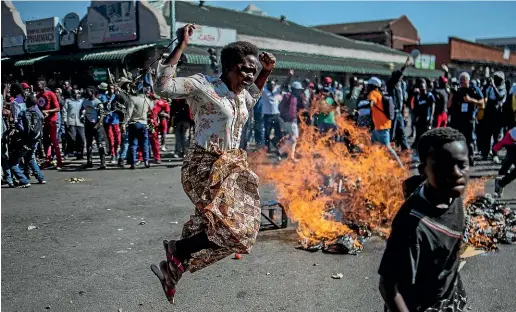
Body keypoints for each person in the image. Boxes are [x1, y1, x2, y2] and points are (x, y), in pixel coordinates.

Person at [150, 24, 275, 304]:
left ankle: (175, 263)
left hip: (232, 166)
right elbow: (162, 86)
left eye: (253, 71)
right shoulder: (203, 86)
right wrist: (180, 44)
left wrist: (265, 72)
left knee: (244, 232)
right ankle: (178, 251)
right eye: (245, 69)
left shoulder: (243, 95)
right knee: (232, 228)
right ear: (229, 66)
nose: (249, 75)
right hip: (204, 164)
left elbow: (253, 97)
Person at [379, 127, 469, 312]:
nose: (456, 173)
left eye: (461, 165)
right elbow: (388, 286)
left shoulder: (450, 191)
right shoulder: (411, 228)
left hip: (449, 298)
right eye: (443, 167)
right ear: (424, 171)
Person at [448, 72, 484, 166]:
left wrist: (471, 100)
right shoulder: (457, 90)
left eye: (464, 79)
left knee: (469, 139)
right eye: (461, 80)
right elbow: (449, 105)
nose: (462, 82)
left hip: (469, 119)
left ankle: (470, 158)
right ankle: (457, 158)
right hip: (457, 119)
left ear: (468, 80)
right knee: (456, 139)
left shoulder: (474, 89)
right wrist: (451, 94)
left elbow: (482, 102)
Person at [367, 77, 403, 167]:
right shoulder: (379, 93)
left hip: (382, 127)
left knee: (388, 147)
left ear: (372, 86)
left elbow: (371, 102)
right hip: (378, 127)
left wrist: (369, 104)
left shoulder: (373, 93)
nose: (367, 87)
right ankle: (375, 164)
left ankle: (400, 165)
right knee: (372, 144)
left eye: (368, 85)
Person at [480, 72, 506, 163]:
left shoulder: (503, 89)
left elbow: (500, 97)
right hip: (488, 113)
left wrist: (494, 86)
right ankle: (485, 153)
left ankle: (495, 154)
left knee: (496, 136)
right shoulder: (490, 88)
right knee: (486, 134)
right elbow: (483, 95)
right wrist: (486, 85)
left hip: (497, 115)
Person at [36, 79, 63, 169]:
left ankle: (59, 161)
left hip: (52, 121)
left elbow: (57, 108)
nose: (38, 86)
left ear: (43, 85)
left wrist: (47, 111)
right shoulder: (38, 96)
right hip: (44, 122)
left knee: (54, 141)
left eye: (39, 84)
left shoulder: (51, 94)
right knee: (46, 142)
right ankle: (47, 160)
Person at [387, 58, 411, 152]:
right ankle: (389, 151)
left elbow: (403, 101)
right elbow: (396, 76)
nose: (401, 77)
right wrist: (404, 66)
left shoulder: (401, 85)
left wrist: (404, 113)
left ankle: (406, 151)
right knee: (392, 134)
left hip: (399, 113)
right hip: (393, 113)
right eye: (399, 75)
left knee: (402, 133)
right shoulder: (391, 83)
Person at [124, 88, 152, 169]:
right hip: (144, 124)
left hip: (134, 124)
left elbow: (129, 113)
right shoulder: (147, 100)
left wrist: (124, 123)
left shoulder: (133, 99)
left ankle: (133, 163)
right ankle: (146, 161)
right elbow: (150, 112)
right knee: (145, 143)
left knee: (133, 144)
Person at [81, 87, 106, 169]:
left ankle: (103, 163)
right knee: (89, 143)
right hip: (88, 124)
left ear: (92, 92)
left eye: (88, 91)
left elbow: (102, 115)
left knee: (99, 143)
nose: (86, 92)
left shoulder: (98, 103)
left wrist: (97, 125)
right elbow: (82, 110)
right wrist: (82, 116)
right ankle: (89, 161)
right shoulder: (85, 101)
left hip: (97, 125)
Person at [279, 81, 304, 161]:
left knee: (292, 139)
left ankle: (289, 155)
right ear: (294, 89)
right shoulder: (287, 96)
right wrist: (285, 117)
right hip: (289, 121)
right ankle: (281, 152)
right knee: (293, 139)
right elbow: (281, 107)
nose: (299, 91)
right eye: (298, 90)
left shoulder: (295, 97)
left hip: (293, 120)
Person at [413, 78, 436, 151]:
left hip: (427, 120)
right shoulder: (418, 96)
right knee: (418, 136)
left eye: (423, 86)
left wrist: (431, 118)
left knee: (427, 136)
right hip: (420, 120)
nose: (422, 88)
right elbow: (416, 108)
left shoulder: (429, 95)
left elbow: (433, 106)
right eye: (420, 87)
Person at [62, 89, 86, 159]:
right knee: (72, 138)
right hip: (71, 122)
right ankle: (67, 151)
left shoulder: (82, 101)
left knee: (81, 138)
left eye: (78, 93)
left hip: (80, 122)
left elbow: (86, 109)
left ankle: (80, 153)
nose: (76, 95)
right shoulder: (68, 101)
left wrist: (84, 114)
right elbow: (64, 111)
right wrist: (65, 120)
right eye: (75, 93)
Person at [493, 127, 516, 197]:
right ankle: (501, 183)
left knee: (508, 163)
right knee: (509, 163)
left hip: (511, 143)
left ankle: (500, 183)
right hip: (512, 145)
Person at [262, 79, 283, 152]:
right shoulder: (264, 91)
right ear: (267, 85)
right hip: (267, 116)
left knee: (279, 133)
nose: (272, 86)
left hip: (276, 115)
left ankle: (278, 147)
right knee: (267, 133)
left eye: (273, 84)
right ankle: (268, 148)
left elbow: (284, 84)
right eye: (270, 84)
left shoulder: (276, 90)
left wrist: (290, 75)